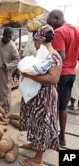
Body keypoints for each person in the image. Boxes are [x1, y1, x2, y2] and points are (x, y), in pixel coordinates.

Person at [19, 24, 62, 166]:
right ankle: (34, 145)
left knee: (42, 125)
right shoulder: (43, 54)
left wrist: (29, 76)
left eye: (35, 41)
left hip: (45, 98)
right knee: (34, 122)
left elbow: (53, 79)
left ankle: (38, 159)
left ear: (39, 40)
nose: (34, 44)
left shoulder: (53, 56)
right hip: (37, 97)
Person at [47, 9, 79, 146]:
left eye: (51, 22)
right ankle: (62, 137)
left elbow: (61, 56)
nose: (50, 26)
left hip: (60, 74)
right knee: (63, 107)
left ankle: (51, 137)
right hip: (71, 73)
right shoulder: (76, 31)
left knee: (53, 107)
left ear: (57, 18)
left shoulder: (59, 32)